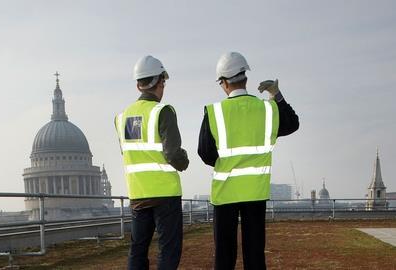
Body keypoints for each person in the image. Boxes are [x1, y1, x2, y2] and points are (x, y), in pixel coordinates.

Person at [198, 52, 299, 270]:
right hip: (255, 192)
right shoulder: (267, 109)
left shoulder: (214, 112)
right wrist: (276, 94)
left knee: (224, 256)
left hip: (225, 193)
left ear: (223, 82)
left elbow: (205, 153)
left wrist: (226, 162)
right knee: (254, 254)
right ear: (245, 77)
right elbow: (292, 123)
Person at [115, 55, 189, 270]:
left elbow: (130, 152)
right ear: (160, 82)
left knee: (138, 248)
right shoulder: (162, 111)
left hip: (138, 193)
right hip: (165, 193)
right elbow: (173, 153)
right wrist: (184, 162)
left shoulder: (122, 117)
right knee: (168, 249)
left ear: (138, 84)